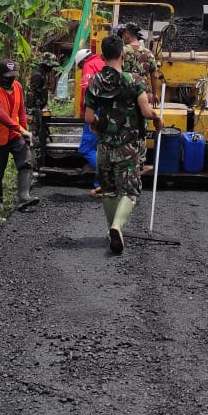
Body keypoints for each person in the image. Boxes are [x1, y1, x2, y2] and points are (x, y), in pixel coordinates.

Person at [83, 34, 164, 255]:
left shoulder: (95, 81)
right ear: (122, 54)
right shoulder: (135, 80)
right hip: (129, 146)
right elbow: (146, 112)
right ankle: (117, 226)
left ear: (102, 56)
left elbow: (89, 118)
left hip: (105, 146)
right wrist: (157, 119)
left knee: (108, 190)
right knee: (129, 190)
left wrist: (99, 124)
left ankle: (111, 231)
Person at [0, 58, 39, 213]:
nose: (10, 80)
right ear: (0, 76)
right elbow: (1, 116)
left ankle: (24, 197)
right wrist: (23, 131)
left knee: (25, 163)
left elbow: (21, 112)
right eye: (7, 77)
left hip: (15, 135)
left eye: (13, 77)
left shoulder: (18, 87)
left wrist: (25, 133)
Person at [76, 47, 106, 179]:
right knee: (101, 146)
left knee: (86, 149)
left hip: (95, 109)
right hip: (108, 110)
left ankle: (106, 177)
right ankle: (99, 184)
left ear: (83, 61)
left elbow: (85, 88)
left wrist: (83, 110)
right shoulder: (103, 62)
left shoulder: (89, 65)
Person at [118, 22, 160, 105]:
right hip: (143, 94)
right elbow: (154, 76)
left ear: (126, 35)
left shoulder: (122, 51)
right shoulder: (149, 53)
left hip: (125, 94)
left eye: (122, 36)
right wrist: (155, 94)